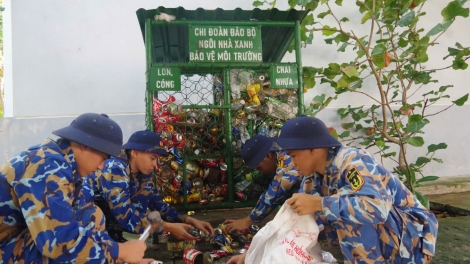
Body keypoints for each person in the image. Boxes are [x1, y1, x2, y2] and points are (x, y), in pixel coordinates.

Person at [278, 116, 438, 263]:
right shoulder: (313, 178)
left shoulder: (352, 162)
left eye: (294, 156)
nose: (292, 163)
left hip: (412, 238)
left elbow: (376, 207)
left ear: (313, 149)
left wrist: (319, 204)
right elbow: (309, 218)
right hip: (389, 236)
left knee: (350, 213)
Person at [0, 113, 151, 264]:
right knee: (63, 252)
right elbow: (58, 241)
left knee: (91, 215)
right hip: (5, 248)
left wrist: (118, 258)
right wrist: (120, 251)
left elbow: (79, 225)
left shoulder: (66, 166)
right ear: (84, 145)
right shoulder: (48, 165)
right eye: (103, 159)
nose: (101, 167)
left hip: (19, 239)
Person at [89, 130, 215, 242]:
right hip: (88, 232)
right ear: (135, 153)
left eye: (157, 159)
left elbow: (157, 203)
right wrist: (169, 227)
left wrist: (189, 220)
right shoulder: (115, 169)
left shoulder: (143, 172)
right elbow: (125, 216)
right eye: (152, 158)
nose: (155, 164)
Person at [223, 135, 301, 233]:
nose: (261, 172)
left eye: (259, 168)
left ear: (268, 155)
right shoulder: (278, 149)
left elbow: (277, 189)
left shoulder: (284, 155)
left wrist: (248, 220)